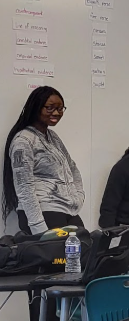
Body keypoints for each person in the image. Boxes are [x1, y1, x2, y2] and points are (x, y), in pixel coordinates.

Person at [3, 86, 84, 235]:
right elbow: (24, 188)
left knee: (84, 249)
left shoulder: (53, 137)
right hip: (44, 213)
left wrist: (79, 197)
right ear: (36, 108)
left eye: (60, 108)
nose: (56, 113)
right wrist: (38, 228)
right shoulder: (23, 141)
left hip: (67, 210)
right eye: (50, 108)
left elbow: (72, 167)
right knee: (59, 257)